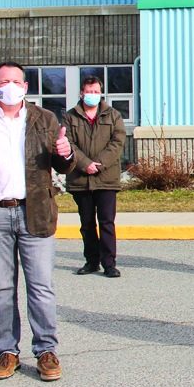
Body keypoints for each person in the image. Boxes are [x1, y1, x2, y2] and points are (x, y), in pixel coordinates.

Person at [0, 61, 75, 381]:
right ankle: (7, 351)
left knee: (41, 287)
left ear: (25, 86)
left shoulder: (44, 119)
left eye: (16, 81)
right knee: (2, 289)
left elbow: (62, 165)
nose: (10, 86)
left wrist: (67, 153)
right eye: (3, 81)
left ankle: (46, 350)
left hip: (35, 213)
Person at [64, 76, 127, 278]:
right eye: (88, 91)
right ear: (81, 93)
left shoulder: (113, 115)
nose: (92, 95)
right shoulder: (70, 117)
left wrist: (98, 165)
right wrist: (85, 164)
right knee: (87, 223)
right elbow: (68, 143)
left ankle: (109, 263)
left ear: (101, 93)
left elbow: (117, 143)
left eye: (95, 91)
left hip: (106, 178)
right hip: (80, 178)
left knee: (107, 222)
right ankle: (91, 262)